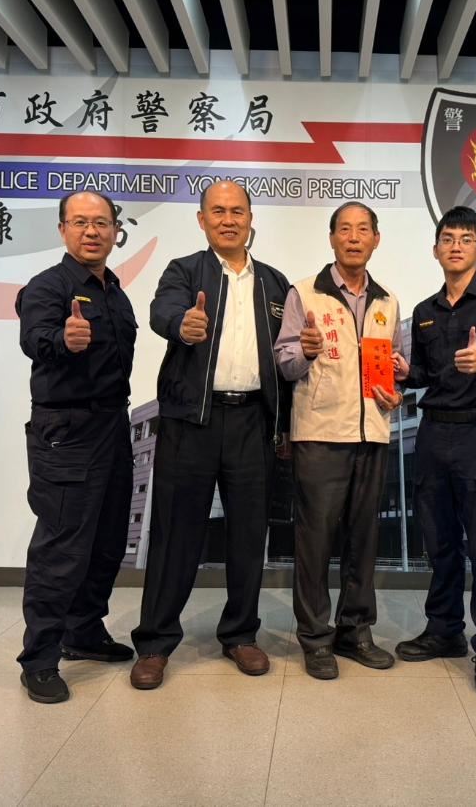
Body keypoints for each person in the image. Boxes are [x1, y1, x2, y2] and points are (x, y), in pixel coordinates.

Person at [130, 181, 291, 690]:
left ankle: (240, 634)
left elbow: (287, 351)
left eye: (237, 211)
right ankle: (154, 643)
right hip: (191, 421)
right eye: (217, 211)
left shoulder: (274, 282)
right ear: (202, 220)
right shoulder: (184, 271)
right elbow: (161, 311)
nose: (228, 219)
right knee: (176, 535)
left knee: (248, 534)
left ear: (250, 219)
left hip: (252, 422)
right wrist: (183, 324)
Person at [392, 206, 476, 695]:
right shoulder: (425, 311)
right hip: (433, 436)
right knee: (440, 544)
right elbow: (427, 375)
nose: (455, 246)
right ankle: (444, 630)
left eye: (466, 239)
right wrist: (407, 374)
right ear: (435, 249)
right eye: (447, 238)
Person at [16, 191, 137, 704]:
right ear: (63, 229)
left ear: (115, 231)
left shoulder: (114, 291)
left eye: (102, 223)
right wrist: (62, 341)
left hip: (112, 425)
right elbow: (34, 338)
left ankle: (83, 631)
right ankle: (39, 660)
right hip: (65, 430)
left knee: (108, 540)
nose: (92, 231)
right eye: (81, 222)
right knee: (62, 547)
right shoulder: (48, 287)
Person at [274, 201, 403, 680]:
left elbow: (394, 365)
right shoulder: (305, 292)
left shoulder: (388, 301)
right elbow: (284, 361)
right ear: (331, 238)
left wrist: (397, 388)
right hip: (320, 433)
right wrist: (304, 352)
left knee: (363, 539)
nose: (353, 237)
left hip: (372, 434)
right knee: (315, 540)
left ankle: (355, 631)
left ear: (376, 239)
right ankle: (315, 637)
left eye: (362, 229)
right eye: (344, 229)